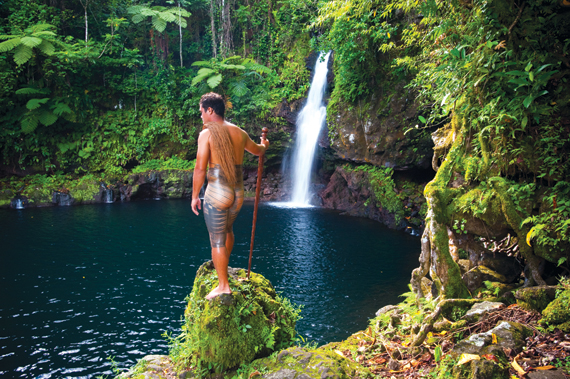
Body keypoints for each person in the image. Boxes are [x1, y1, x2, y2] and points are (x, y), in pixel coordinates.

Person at [191, 92, 269, 300]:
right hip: (237, 193)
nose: (200, 116)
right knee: (227, 230)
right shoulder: (239, 133)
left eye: (201, 112)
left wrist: (195, 196)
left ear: (210, 110)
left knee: (216, 239)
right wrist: (265, 144)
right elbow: (259, 151)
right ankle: (224, 270)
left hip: (217, 191)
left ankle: (223, 285)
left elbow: (200, 169)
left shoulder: (206, 135)